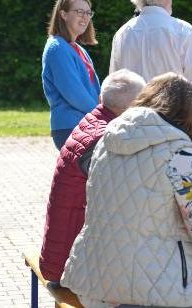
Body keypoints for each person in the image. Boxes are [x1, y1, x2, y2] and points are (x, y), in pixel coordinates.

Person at [61, 73, 192, 308]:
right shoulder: (179, 151)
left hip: (94, 280)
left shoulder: (107, 140)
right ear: (190, 114)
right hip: (148, 285)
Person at [39, 69, 145, 283]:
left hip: (59, 256)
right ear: (132, 108)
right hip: (71, 266)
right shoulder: (105, 138)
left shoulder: (92, 122)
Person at [109, 0, 192, 134]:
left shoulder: (122, 33)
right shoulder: (183, 30)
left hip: (132, 129)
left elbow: (114, 88)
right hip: (174, 129)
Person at [42, 0, 100, 149]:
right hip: (71, 127)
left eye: (88, 13)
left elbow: (94, 90)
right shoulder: (57, 48)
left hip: (87, 125)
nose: (85, 17)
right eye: (79, 12)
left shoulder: (78, 49)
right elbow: (74, 93)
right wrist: (101, 114)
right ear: (63, 14)